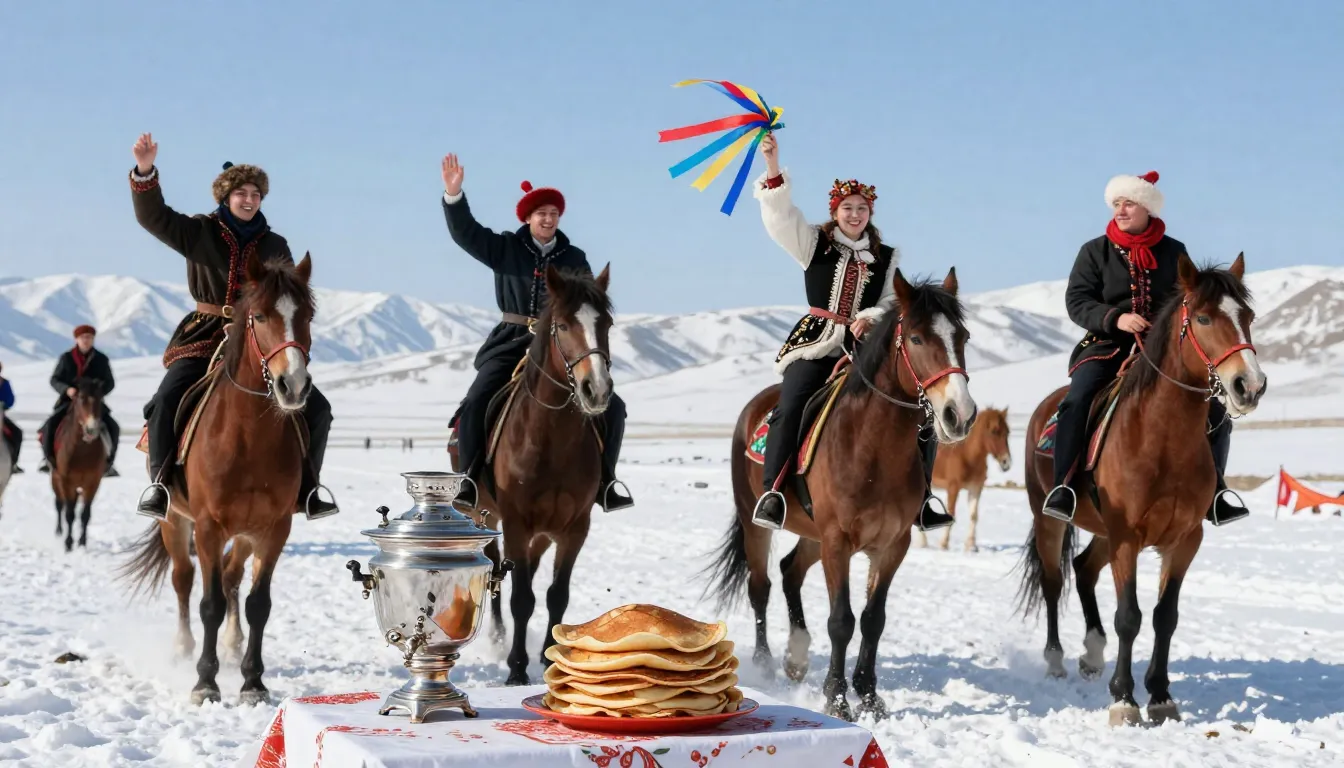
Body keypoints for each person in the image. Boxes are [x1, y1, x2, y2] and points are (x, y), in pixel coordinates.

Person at [748, 133, 956, 532]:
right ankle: (773, 492)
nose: (855, 214)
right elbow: (779, 217)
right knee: (791, 405)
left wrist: (872, 315)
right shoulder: (813, 243)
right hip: (816, 342)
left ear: (870, 213)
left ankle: (924, 496)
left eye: (862, 208)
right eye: (847, 208)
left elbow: (891, 300)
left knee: (920, 408)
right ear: (836, 211)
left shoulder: (886, 257)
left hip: (866, 347)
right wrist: (773, 167)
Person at [126, 133, 338, 521]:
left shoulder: (275, 243)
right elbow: (152, 218)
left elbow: (285, 300)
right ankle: (159, 484)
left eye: (256, 193)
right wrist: (145, 172)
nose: (249, 199)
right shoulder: (199, 230)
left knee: (318, 408)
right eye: (241, 192)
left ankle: (309, 488)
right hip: (204, 333)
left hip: (259, 337)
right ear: (225, 197)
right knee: (167, 398)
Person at [1042, 170, 1249, 526]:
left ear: (1147, 208)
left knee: (1216, 412)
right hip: (1106, 345)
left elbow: (1189, 299)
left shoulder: (1174, 251)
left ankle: (1215, 492)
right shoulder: (1094, 251)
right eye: (1117, 204)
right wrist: (1115, 318)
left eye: (1129, 203)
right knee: (1077, 401)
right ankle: (1064, 487)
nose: (1120, 211)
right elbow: (1077, 301)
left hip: (1162, 350)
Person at [439, 153, 633, 513]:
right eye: (541, 213)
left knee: (614, 406)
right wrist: (454, 195)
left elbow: (586, 304)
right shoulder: (505, 247)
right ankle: (467, 479)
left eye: (554, 214)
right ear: (527, 218)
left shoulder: (574, 255)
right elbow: (465, 233)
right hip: (511, 341)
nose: (548, 219)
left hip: (560, 346)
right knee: (478, 399)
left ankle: (607, 481)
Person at [37, 325, 120, 477]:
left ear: (93, 339)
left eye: (89, 337)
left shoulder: (101, 359)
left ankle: (109, 463)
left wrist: (98, 392)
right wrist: (67, 389)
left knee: (113, 427)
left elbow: (110, 382)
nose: (86, 340)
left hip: (93, 404)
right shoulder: (66, 358)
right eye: (83, 338)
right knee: (49, 426)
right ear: (77, 339)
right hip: (69, 402)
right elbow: (55, 379)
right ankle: (47, 459)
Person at [1, 361, 21, 474]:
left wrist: (3, 404)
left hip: (0, 416)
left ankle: (13, 463)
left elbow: (10, 400)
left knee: (17, 433)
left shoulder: (3, 383)